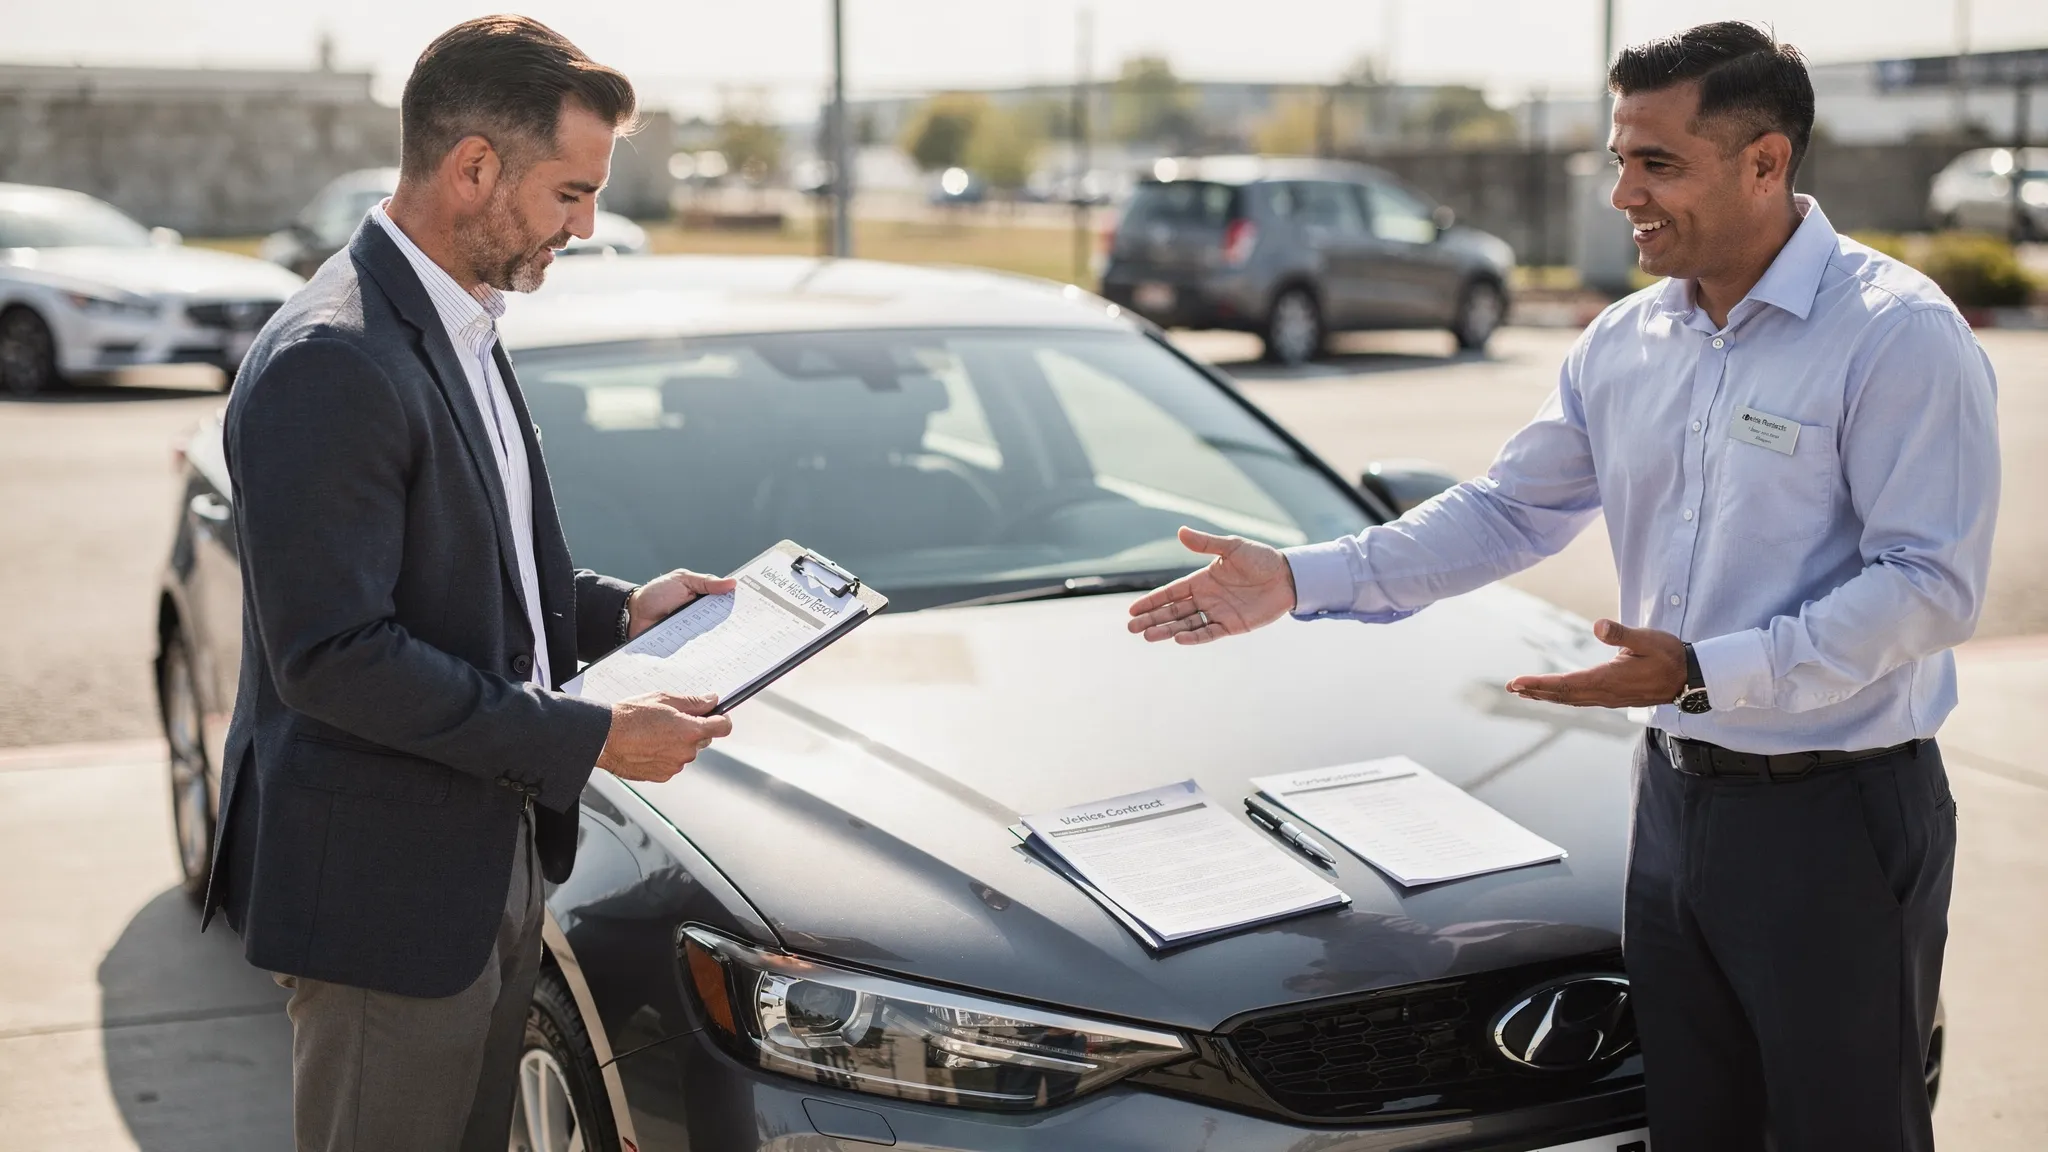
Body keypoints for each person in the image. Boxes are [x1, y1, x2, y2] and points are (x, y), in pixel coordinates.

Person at [1127, 21, 1996, 1152]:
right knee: (1691, 1129)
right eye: (1618, 157)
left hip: (1835, 817)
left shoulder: (1895, 336)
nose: (1621, 191)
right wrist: (1301, 578)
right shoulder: (1625, 341)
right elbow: (1504, 510)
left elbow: (1927, 584)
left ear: (1765, 162)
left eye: (1656, 163)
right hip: (1675, 807)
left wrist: (1700, 672)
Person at [202, 17, 733, 1151]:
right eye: (569, 193)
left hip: (487, 857)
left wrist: (619, 613)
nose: (586, 225)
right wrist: (588, 738)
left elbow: (463, 573)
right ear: (474, 168)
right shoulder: (332, 360)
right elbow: (334, 659)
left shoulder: (463, 318)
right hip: (385, 903)